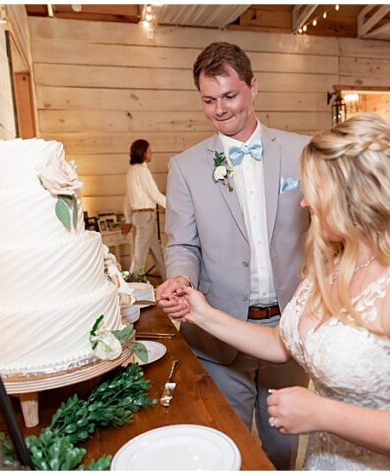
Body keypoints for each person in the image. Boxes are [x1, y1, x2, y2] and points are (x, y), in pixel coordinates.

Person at [170, 114, 390, 469]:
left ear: (355, 196)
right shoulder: (334, 265)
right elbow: (283, 342)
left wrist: (322, 414)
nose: (306, 203)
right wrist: (202, 314)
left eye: (314, 189)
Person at [156, 41, 310, 470]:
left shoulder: (302, 151)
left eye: (229, 96)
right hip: (219, 331)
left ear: (253, 87)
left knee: (282, 447)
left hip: (291, 325)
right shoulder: (185, 167)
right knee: (230, 446)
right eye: (208, 100)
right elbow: (182, 244)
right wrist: (181, 281)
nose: (220, 109)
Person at [121, 139, 166, 278]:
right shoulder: (142, 171)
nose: (151, 153)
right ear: (143, 153)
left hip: (138, 217)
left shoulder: (131, 171)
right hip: (146, 216)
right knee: (139, 254)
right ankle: (133, 286)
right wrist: (175, 207)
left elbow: (128, 198)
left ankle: (169, 279)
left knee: (157, 252)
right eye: (149, 150)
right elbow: (154, 194)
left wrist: (128, 219)